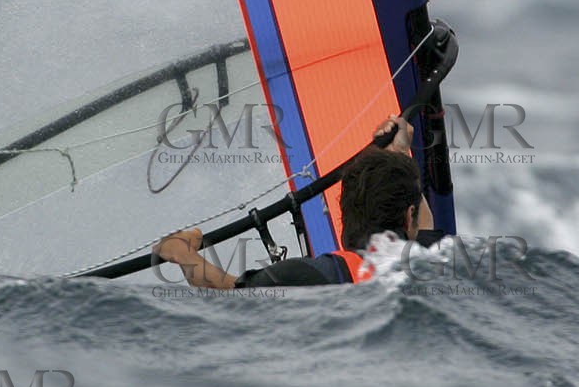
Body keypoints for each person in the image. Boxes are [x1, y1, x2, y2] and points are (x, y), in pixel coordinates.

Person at [152, 116, 447, 288]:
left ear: (341, 212)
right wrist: (399, 153)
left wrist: (179, 252)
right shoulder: (430, 261)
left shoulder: (309, 275)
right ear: (408, 218)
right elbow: (425, 225)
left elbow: (224, 290)